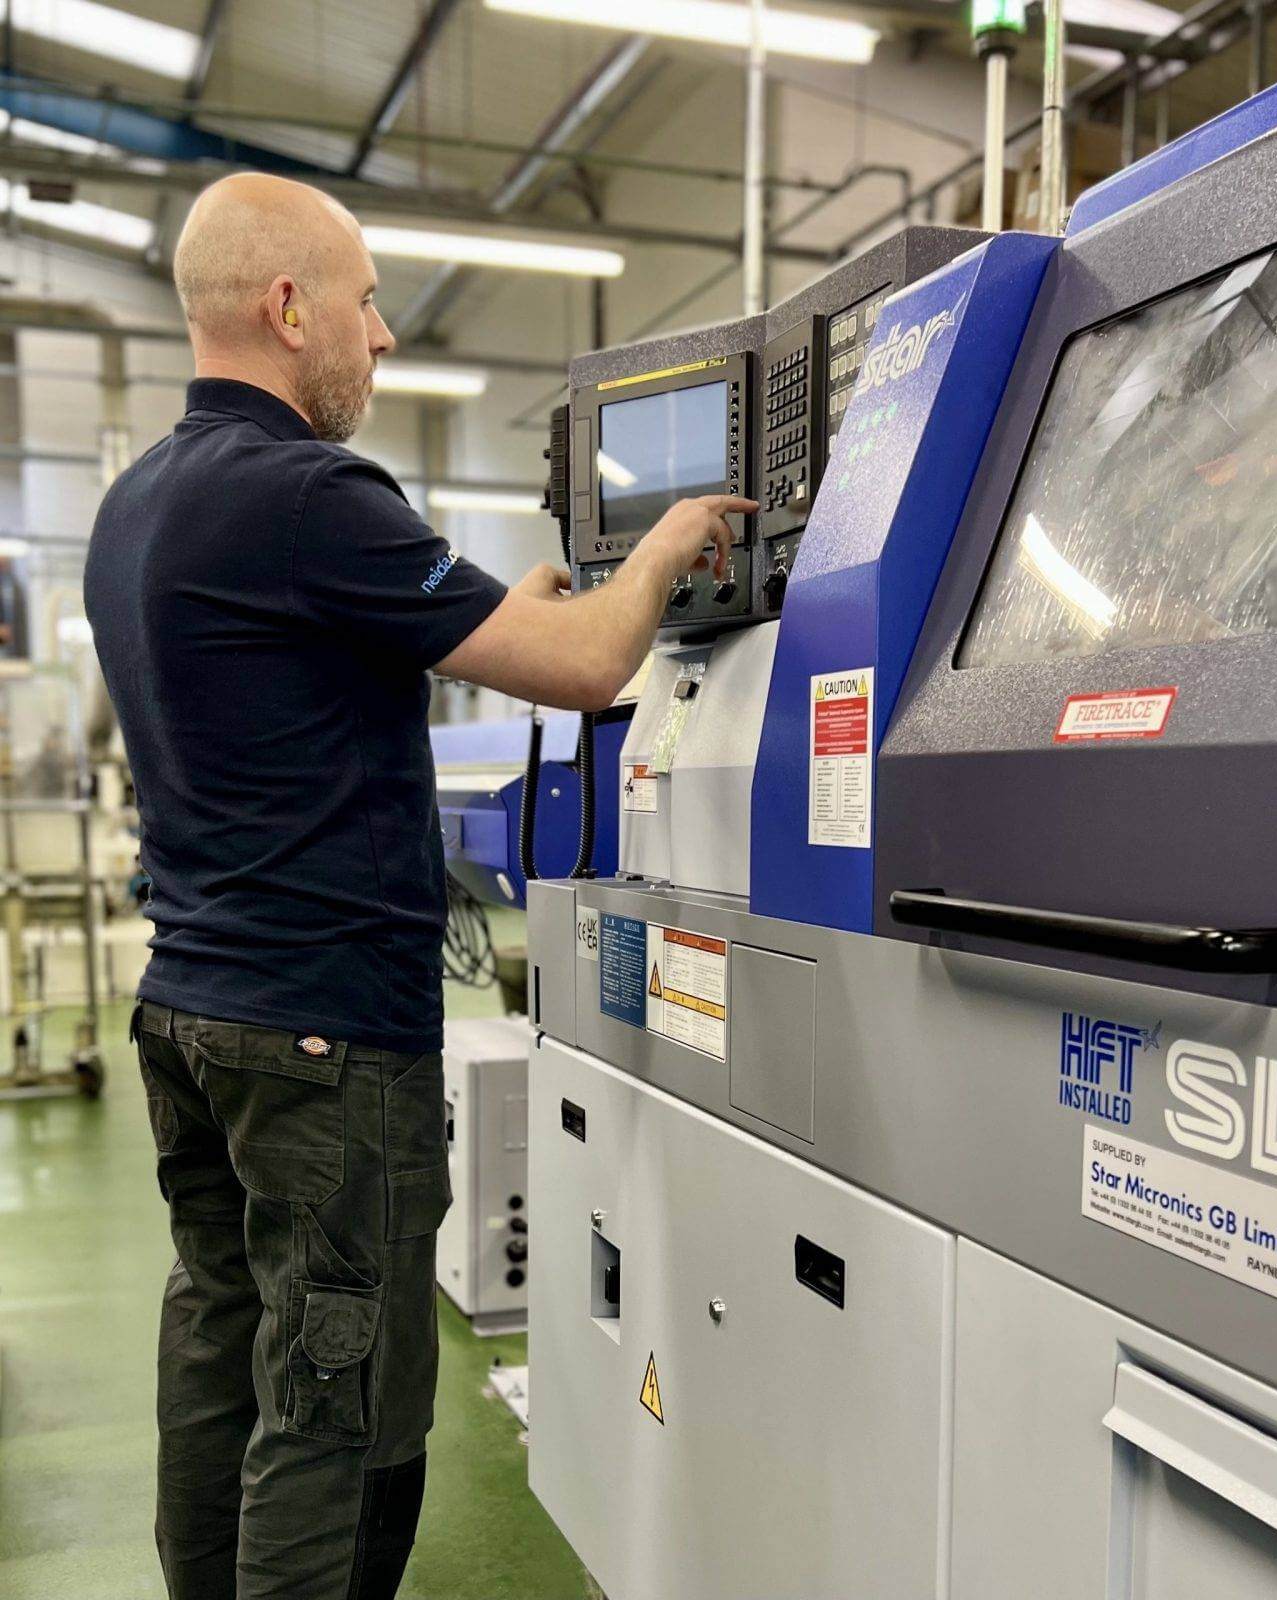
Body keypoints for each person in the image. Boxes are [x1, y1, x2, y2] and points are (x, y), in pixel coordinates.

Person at [83, 172, 751, 1600]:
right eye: (368, 301)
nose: (381, 337)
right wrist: (674, 546)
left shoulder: (137, 507)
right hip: (326, 1045)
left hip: (194, 1016)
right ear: (287, 308)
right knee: (330, 1415)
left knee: (221, 1344)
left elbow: (362, 664)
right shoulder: (313, 495)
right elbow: (584, 669)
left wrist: (528, 604)